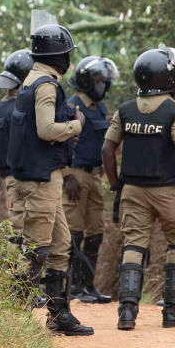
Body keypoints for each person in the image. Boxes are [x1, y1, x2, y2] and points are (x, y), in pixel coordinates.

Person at [101, 46, 175, 331]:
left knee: (134, 245)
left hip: (132, 189)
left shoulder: (125, 110)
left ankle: (127, 312)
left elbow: (107, 148)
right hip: (167, 189)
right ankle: (173, 310)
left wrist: (115, 183)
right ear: (167, 77)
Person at [6, 23, 93, 336]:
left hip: (42, 176)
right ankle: (13, 321)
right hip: (41, 179)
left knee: (59, 246)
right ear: (59, 55)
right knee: (37, 250)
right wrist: (75, 125)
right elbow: (45, 130)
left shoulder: (32, 79)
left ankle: (59, 316)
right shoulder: (45, 85)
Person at [63, 56, 119, 305]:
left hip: (95, 176)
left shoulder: (101, 108)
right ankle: (71, 286)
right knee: (73, 233)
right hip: (75, 175)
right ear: (87, 82)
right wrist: (65, 174)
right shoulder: (71, 105)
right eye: (99, 82)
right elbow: (61, 140)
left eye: (105, 82)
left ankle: (88, 285)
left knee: (96, 232)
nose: (103, 87)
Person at [0, 49, 34, 243]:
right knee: (23, 229)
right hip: (24, 176)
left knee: (18, 223)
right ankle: (18, 271)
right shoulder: (22, 107)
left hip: (7, 175)